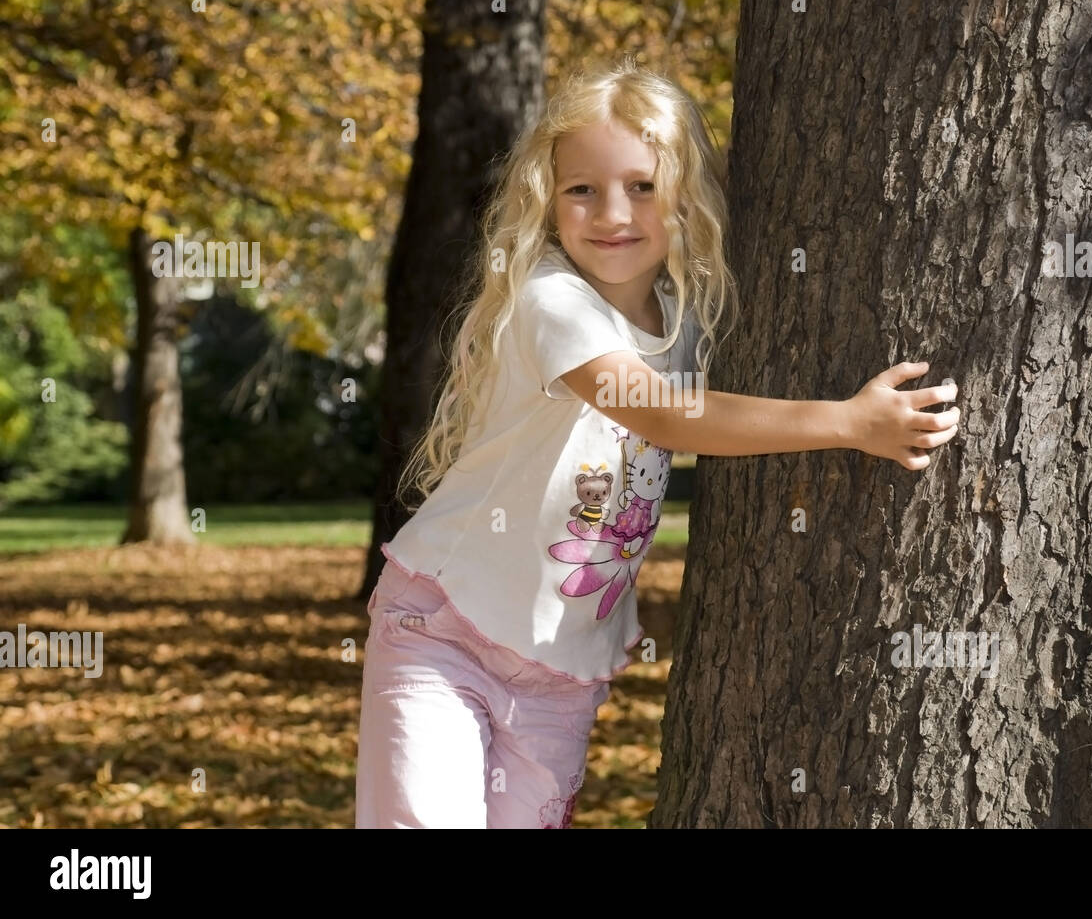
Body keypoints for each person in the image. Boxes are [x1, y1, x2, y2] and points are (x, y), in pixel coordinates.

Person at [355, 57, 961, 828]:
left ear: (684, 193)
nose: (614, 211)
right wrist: (848, 421)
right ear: (547, 201)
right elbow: (660, 413)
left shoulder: (684, 320)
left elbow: (704, 405)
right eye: (583, 189)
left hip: (560, 676)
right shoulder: (551, 302)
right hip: (442, 633)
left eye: (643, 185)